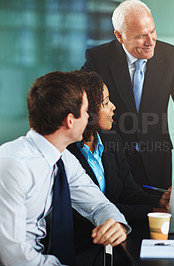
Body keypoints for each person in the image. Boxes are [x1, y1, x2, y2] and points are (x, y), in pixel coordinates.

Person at [0, 71, 130, 265]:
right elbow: (15, 257)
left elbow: (98, 205)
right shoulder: (14, 165)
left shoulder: (62, 159)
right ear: (71, 120)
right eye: (86, 112)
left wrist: (114, 223)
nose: (89, 118)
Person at [81, 0, 174, 189]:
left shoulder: (172, 57)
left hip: (157, 158)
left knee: (159, 212)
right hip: (114, 157)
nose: (151, 42)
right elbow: (79, 100)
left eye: (152, 31)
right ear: (119, 36)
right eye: (142, 36)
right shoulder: (98, 58)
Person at [67, 72, 170, 265]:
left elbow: (129, 192)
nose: (113, 107)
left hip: (117, 239)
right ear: (85, 110)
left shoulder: (111, 140)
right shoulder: (66, 151)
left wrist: (161, 200)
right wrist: (157, 211)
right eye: (105, 102)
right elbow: (96, 207)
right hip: (82, 246)